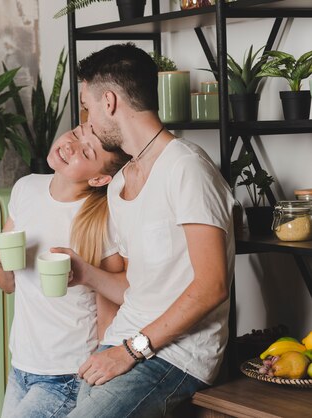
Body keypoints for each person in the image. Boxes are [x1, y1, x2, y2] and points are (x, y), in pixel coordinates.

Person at [51, 43, 236, 417]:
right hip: (124, 343)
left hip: (175, 357)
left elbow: (212, 286)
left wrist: (131, 350)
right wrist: (85, 273)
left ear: (110, 102)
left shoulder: (187, 168)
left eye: (87, 107)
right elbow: (141, 288)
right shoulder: (120, 185)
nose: (85, 122)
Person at [0, 126, 130, 418]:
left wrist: (102, 366)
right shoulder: (26, 188)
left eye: (86, 152)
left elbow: (115, 300)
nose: (71, 145)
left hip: (67, 374)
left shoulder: (101, 217)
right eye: (76, 133)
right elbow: (8, 284)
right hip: (22, 364)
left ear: (99, 178)